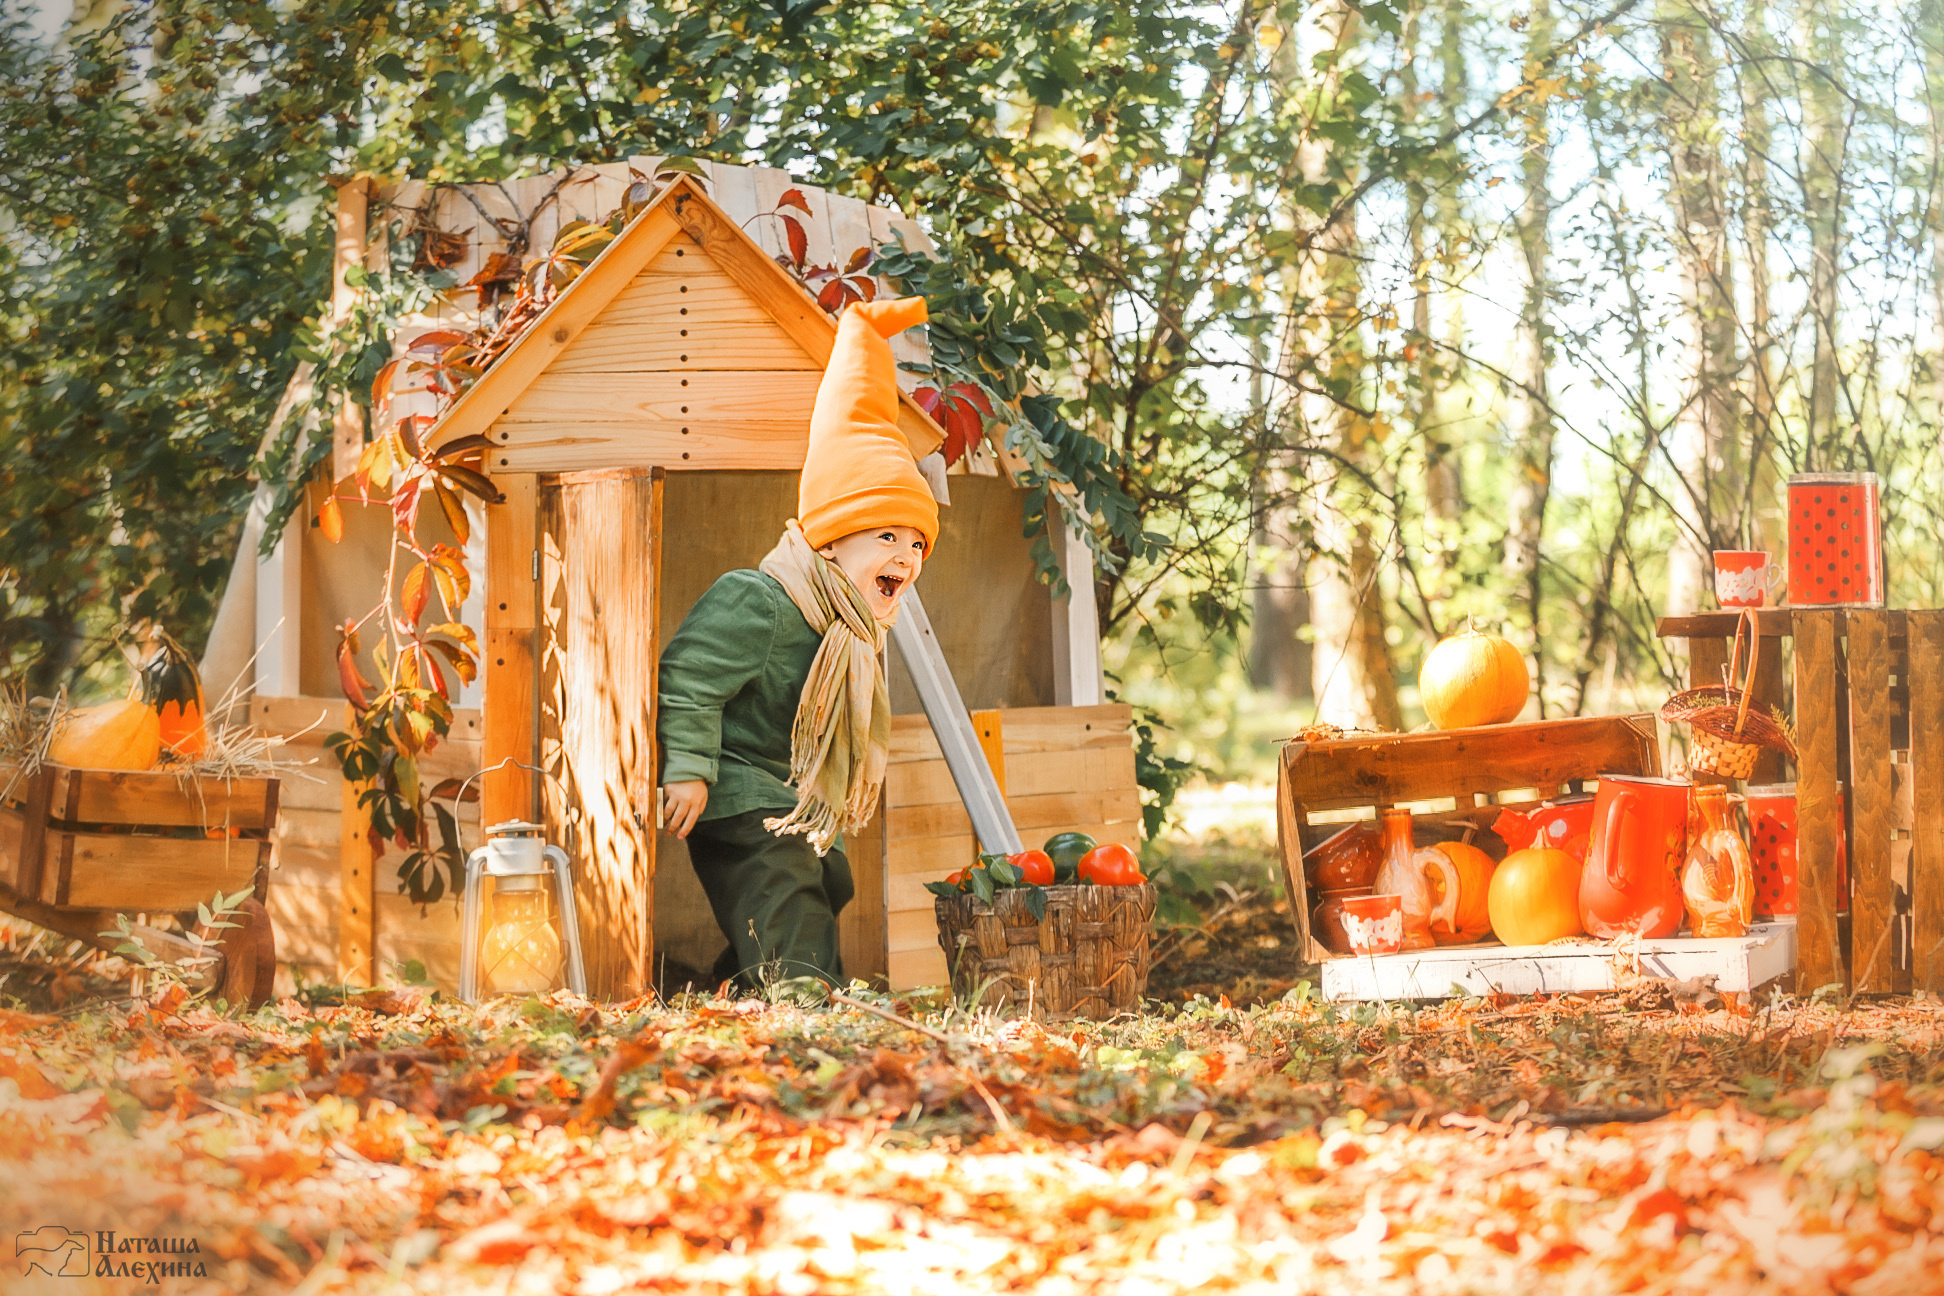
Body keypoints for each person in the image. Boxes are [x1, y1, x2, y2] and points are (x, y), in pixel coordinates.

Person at [654, 296, 938, 987]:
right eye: (886, 536)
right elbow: (689, 673)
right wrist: (687, 766)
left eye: (916, 542)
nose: (906, 554)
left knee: (829, 877)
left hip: (786, 795)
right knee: (786, 887)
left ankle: (733, 984)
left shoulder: (852, 625)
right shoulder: (764, 598)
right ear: (833, 543)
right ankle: (805, 1000)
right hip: (735, 790)